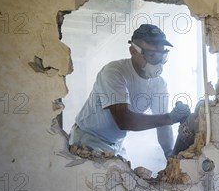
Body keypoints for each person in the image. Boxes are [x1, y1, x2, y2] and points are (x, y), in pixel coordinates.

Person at [69, 24, 191, 158]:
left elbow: (163, 125)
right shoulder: (114, 72)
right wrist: (169, 118)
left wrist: (169, 154)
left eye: (161, 57)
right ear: (133, 51)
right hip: (88, 141)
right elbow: (124, 120)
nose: (158, 63)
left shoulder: (159, 84)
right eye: (151, 55)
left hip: (116, 144)